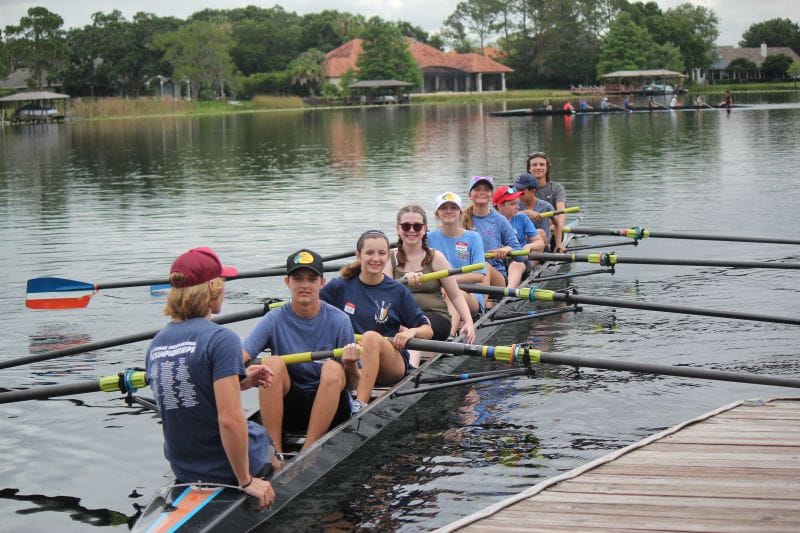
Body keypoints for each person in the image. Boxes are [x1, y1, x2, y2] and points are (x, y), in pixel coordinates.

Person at [145, 247, 277, 510]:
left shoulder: (156, 344)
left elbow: (191, 395)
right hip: (226, 470)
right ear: (212, 288)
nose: (225, 287)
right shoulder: (221, 339)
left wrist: (242, 382)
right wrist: (245, 481)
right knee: (270, 445)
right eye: (222, 281)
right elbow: (230, 420)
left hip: (183, 467)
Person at [242, 249, 362, 455]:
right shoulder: (273, 319)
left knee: (333, 368)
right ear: (287, 282)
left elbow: (354, 385)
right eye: (298, 279)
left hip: (333, 407)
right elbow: (240, 358)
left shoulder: (339, 320)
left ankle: (308, 452)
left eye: (311, 279)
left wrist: (350, 365)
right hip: (293, 405)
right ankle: (274, 453)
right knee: (272, 364)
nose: (305, 285)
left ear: (322, 283)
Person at [320, 230, 433, 397]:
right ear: (358, 255)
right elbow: (312, 313)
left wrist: (412, 331)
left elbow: (428, 330)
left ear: (388, 256)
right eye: (369, 253)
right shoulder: (339, 286)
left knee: (370, 337)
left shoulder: (397, 291)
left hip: (389, 366)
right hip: (349, 360)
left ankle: (361, 404)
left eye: (381, 253)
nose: (376, 259)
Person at [385, 205, 476, 366]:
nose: (411, 230)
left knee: (415, 324)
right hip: (403, 321)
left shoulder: (436, 258)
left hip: (435, 318)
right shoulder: (389, 258)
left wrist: (469, 322)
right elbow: (382, 295)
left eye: (417, 226)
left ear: (425, 229)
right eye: (406, 226)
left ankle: (410, 370)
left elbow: (455, 295)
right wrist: (402, 283)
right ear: (398, 229)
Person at [428, 191, 488, 321]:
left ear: (460, 213)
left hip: (469, 294)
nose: (448, 211)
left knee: (452, 293)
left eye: (453, 208)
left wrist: (449, 282)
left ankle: (449, 336)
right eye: (444, 208)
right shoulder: (428, 238)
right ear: (437, 214)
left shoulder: (473, 237)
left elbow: (479, 275)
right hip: (438, 293)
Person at [462, 175, 526, 289]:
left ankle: (480, 305)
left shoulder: (500, 220)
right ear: (469, 195)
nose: (482, 192)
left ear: (491, 196)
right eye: (477, 189)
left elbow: (522, 256)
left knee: (484, 266)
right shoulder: (459, 219)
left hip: (496, 277)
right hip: (466, 274)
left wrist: (509, 249)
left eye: (486, 190)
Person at [523, 152, 568, 252]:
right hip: (527, 231)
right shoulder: (523, 190)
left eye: (542, 164)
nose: (538, 167)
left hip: (552, 229)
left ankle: (555, 246)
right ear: (529, 169)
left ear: (547, 168)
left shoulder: (557, 188)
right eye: (534, 165)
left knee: (545, 229)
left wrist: (556, 226)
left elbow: (561, 212)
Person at [493, 185, 546, 259]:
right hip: (501, 260)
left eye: (517, 203)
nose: (518, 207)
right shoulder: (491, 222)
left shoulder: (522, 217)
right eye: (513, 204)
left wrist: (529, 246)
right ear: (500, 206)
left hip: (522, 257)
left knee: (541, 232)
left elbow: (540, 243)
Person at [512, 173, 556, 250]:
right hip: (523, 245)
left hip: (542, 245)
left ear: (532, 191)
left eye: (521, 191)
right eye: (516, 190)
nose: (518, 194)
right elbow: (506, 218)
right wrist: (526, 212)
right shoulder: (515, 205)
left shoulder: (545, 206)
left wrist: (559, 245)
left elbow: (558, 224)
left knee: (539, 232)